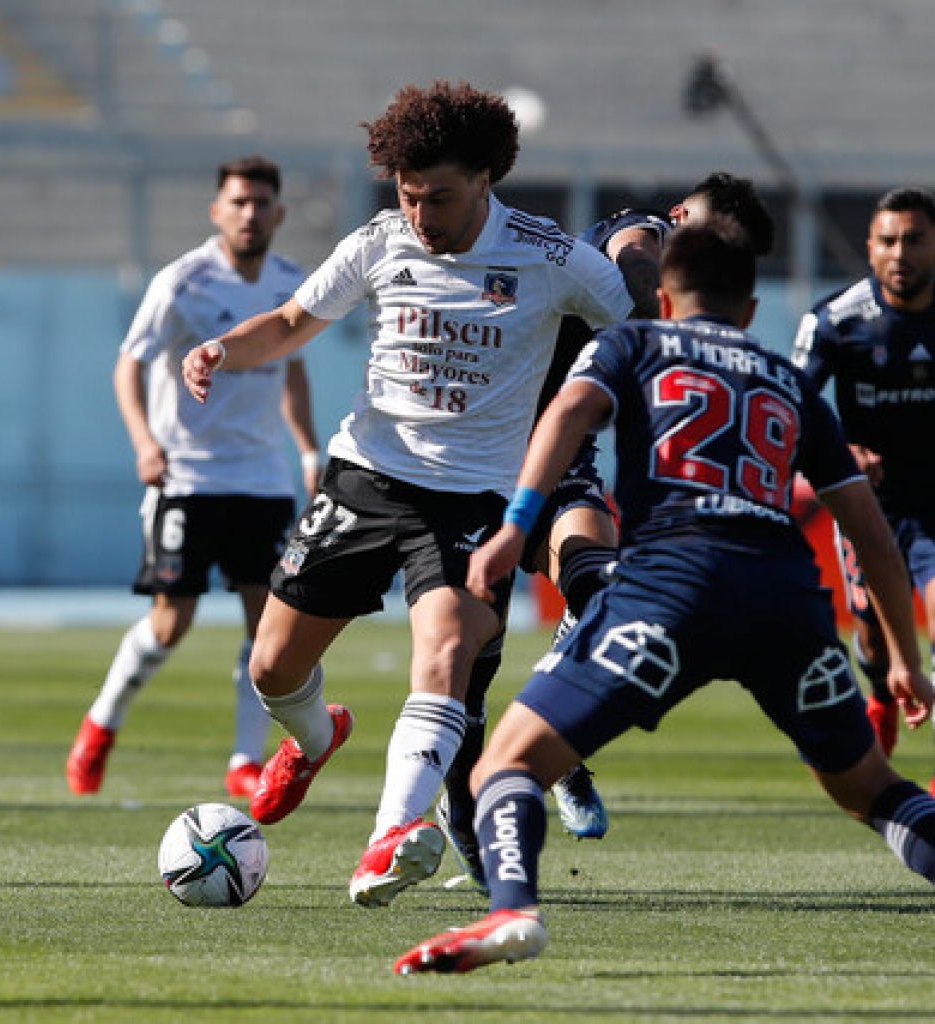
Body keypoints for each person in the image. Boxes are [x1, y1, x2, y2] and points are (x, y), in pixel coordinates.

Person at [395, 220, 935, 975]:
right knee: (874, 790)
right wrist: (906, 659)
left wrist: (518, 525)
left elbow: (568, 412)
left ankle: (513, 910)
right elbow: (872, 536)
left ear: (667, 301)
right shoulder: (788, 378)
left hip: (669, 587)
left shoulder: (634, 343)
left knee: (504, 768)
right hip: (787, 600)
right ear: (750, 310)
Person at [181, 80, 636, 908]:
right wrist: (221, 349)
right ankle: (315, 739)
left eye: (440, 197)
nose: (421, 213)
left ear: (486, 181)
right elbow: (288, 323)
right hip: (368, 476)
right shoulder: (382, 241)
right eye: (407, 193)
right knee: (273, 668)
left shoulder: (549, 255)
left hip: (476, 502)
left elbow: (636, 333)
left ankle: (391, 832)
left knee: (447, 654)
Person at [437, 175, 775, 891]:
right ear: (682, 218)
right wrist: (676, 322)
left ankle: (555, 749)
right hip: (477, 461)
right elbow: (634, 259)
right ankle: (461, 804)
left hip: (560, 465)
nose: (713, 255)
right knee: (469, 656)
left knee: (603, 590)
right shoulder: (637, 235)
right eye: (711, 236)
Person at [66, 155, 321, 797]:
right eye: (237, 202)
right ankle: (101, 724)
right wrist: (143, 442)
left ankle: (244, 759)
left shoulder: (292, 284)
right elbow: (129, 365)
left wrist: (308, 448)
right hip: (185, 477)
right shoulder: (183, 281)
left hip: (261, 481)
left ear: (278, 213)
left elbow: (290, 365)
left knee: (267, 628)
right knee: (169, 623)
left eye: (261, 203)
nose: (249, 213)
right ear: (217, 211)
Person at [792, 187, 935, 772]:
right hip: (870, 507)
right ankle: (879, 693)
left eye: (915, 240)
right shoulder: (836, 319)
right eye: (888, 241)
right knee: (875, 640)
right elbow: (792, 409)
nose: (900, 253)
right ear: (871, 248)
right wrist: (842, 451)